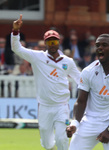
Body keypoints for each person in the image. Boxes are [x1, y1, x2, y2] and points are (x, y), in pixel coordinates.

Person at [11, 15, 80, 150]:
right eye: (49, 42)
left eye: (54, 42)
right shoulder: (37, 57)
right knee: (47, 144)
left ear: (59, 42)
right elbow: (17, 48)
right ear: (45, 43)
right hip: (44, 106)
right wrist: (15, 31)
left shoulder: (68, 61)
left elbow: (81, 80)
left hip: (62, 106)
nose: (52, 44)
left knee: (62, 139)